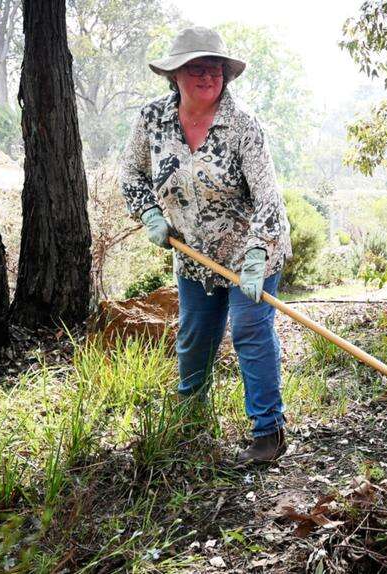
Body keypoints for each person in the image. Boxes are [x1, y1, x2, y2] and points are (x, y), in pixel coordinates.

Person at [118, 26, 293, 464]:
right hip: (193, 253)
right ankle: (191, 424)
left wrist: (257, 255)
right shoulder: (152, 120)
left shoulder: (243, 126)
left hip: (252, 248)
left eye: (214, 67)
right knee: (196, 336)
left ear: (225, 75)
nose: (206, 76)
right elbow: (132, 175)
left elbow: (268, 197)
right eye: (195, 67)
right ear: (175, 74)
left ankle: (268, 432)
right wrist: (150, 214)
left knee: (251, 330)